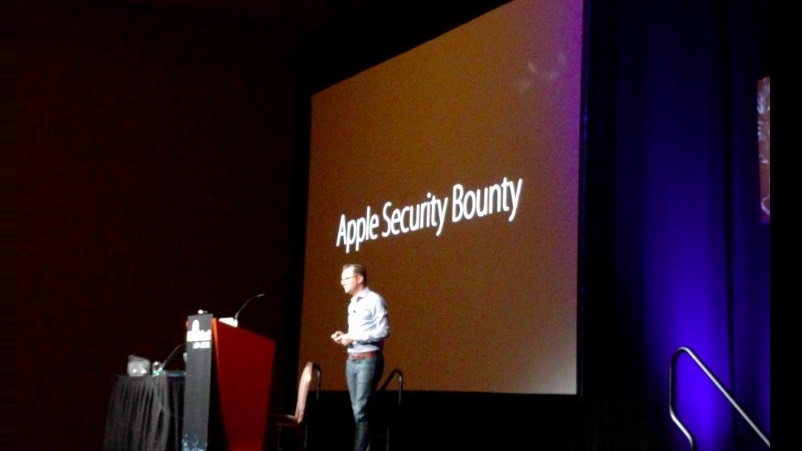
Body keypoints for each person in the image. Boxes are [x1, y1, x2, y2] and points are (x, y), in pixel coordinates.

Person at [330, 263, 390, 451]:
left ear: (359, 279)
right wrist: (345, 336)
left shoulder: (374, 300)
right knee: (358, 411)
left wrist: (354, 336)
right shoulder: (353, 303)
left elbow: (384, 331)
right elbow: (358, 332)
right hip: (352, 360)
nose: (342, 282)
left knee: (361, 410)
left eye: (346, 278)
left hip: (368, 360)